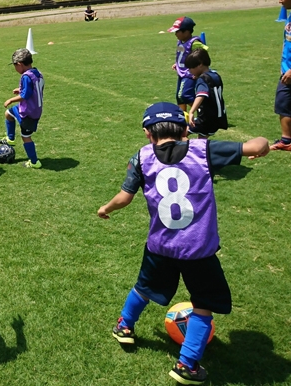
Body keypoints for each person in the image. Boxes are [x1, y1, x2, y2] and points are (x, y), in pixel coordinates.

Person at [97, 102, 269, 385]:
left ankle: (124, 326)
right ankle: (186, 364)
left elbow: (124, 197)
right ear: (186, 129)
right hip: (198, 249)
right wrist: (262, 143)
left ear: (146, 133)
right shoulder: (204, 150)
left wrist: (106, 208)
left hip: (160, 246)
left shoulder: (141, 157)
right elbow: (254, 147)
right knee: (202, 305)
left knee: (144, 287)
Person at [0, 48, 44, 169]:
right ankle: (10, 138)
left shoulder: (26, 77)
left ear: (20, 64)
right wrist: (21, 89)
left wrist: (11, 99)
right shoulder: (37, 72)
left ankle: (34, 162)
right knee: (9, 114)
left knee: (26, 137)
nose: (15, 69)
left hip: (28, 112)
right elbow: (34, 88)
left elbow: (25, 95)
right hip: (34, 108)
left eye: (15, 66)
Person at [167, 17, 208, 112]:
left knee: (185, 95)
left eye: (177, 31)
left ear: (186, 32)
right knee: (179, 97)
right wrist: (178, 64)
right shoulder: (180, 42)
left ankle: (204, 111)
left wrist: (198, 72)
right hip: (181, 73)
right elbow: (182, 55)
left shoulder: (194, 43)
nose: (175, 34)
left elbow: (202, 55)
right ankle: (183, 118)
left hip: (190, 74)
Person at [185, 49, 228, 138]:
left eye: (191, 68)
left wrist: (192, 111)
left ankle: (178, 151)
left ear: (200, 64)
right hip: (218, 118)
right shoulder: (215, 75)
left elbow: (201, 95)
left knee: (181, 133)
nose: (189, 71)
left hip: (206, 119)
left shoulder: (202, 79)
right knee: (202, 142)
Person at [271, 0, 291, 151]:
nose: (280, 0)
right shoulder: (290, 16)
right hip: (286, 71)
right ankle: (286, 140)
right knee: (283, 104)